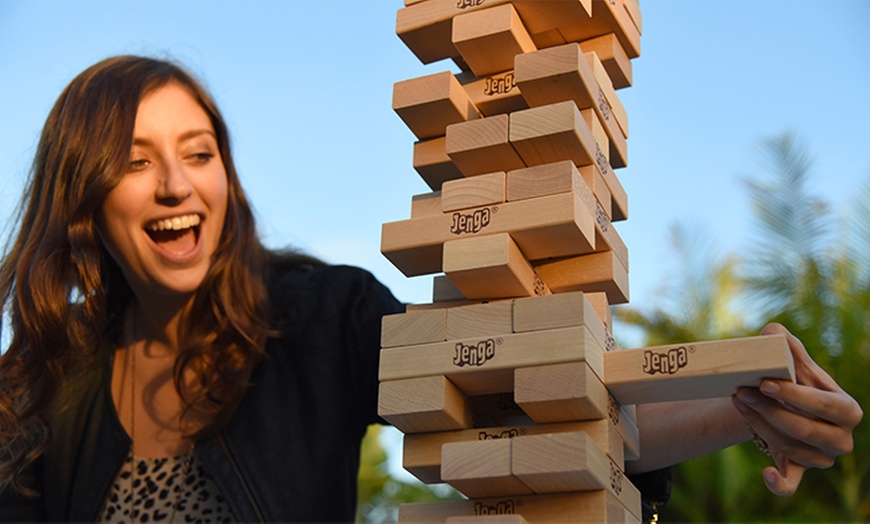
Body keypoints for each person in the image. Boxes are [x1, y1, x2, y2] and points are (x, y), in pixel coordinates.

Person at [0, 55, 861, 522]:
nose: (179, 185)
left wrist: (738, 400)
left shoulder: (317, 316)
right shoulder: (41, 384)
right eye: (136, 160)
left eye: (199, 152)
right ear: (82, 199)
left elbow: (525, 408)